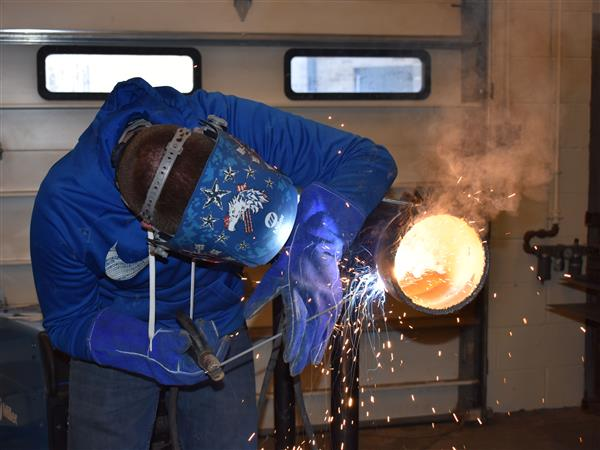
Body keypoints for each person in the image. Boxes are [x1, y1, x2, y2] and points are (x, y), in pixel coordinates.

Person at [30, 77, 397, 450]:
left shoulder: (226, 117)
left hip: (217, 320)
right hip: (120, 331)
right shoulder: (64, 206)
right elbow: (67, 319)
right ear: (151, 229)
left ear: (215, 141)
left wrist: (321, 238)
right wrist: (142, 346)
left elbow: (367, 158)